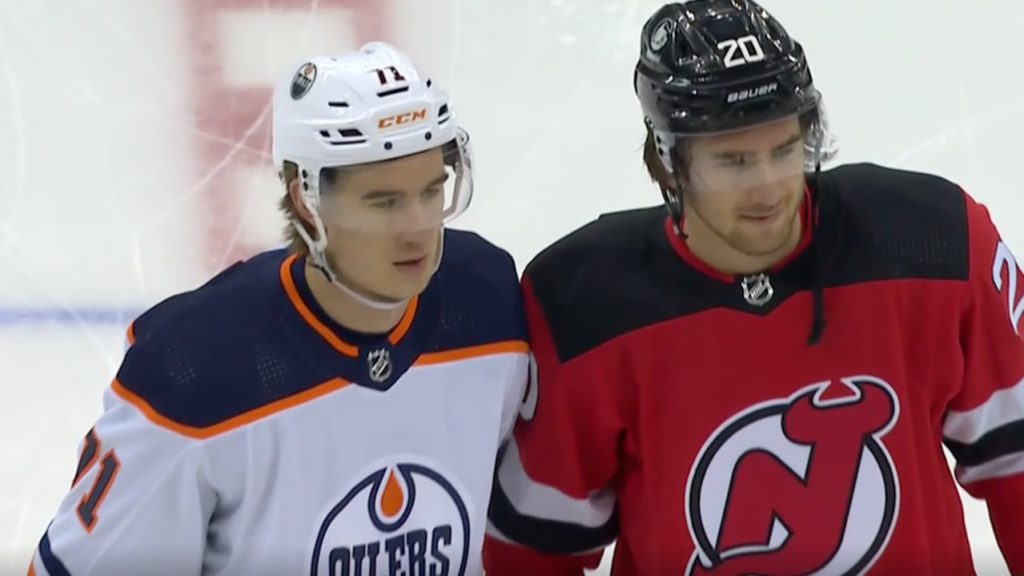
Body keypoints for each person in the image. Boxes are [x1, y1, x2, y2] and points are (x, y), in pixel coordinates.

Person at [484, 2, 1024, 575]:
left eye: (784, 150)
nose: (769, 187)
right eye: (734, 161)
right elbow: (532, 552)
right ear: (668, 165)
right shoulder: (583, 308)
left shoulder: (935, 243)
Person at [29, 42, 528, 576]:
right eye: (384, 202)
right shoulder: (195, 370)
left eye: (432, 192)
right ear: (305, 202)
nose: (418, 228)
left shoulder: (488, 305)